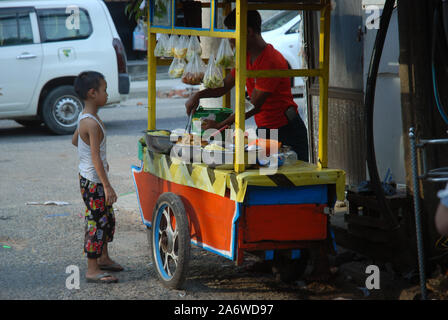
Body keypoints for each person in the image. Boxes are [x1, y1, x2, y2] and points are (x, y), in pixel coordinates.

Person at [185, 9, 309, 162]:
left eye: (233, 35)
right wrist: (198, 95)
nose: (231, 40)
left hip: (286, 130)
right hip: (266, 129)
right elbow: (224, 86)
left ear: (249, 31)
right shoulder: (244, 57)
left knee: (287, 179)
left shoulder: (270, 61)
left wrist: (221, 125)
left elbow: (253, 105)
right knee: (267, 176)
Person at [72, 71, 123, 284]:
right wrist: (107, 185)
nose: (107, 93)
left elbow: (76, 140)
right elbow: (95, 158)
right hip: (93, 182)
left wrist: (99, 158)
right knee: (96, 222)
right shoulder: (91, 123)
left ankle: (103, 258)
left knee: (107, 219)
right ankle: (92, 269)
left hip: (92, 177)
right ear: (93, 93)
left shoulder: (87, 118)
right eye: (104, 90)